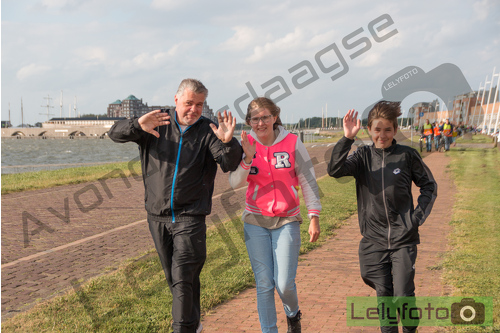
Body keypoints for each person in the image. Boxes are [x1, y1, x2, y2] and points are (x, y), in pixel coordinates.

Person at [108, 79, 243, 333]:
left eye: (199, 105)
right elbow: (114, 133)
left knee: (182, 278)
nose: (193, 109)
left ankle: (182, 328)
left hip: (190, 217)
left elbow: (228, 163)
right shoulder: (156, 122)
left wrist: (228, 142)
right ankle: (194, 325)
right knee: (178, 279)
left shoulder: (207, 129)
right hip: (156, 216)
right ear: (176, 100)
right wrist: (137, 125)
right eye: (189, 103)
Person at [327, 101, 437, 333]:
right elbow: (335, 170)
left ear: (395, 130)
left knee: (402, 295)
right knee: (383, 292)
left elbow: (429, 186)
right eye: (377, 130)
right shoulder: (362, 157)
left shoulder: (407, 156)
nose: (382, 135)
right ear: (369, 130)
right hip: (373, 239)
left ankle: (410, 328)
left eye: (387, 129)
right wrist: (347, 138)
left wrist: (416, 218)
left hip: (403, 238)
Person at [228, 97, 321, 333]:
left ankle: (292, 313)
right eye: (255, 118)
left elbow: (307, 180)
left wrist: (313, 216)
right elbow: (234, 182)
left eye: (265, 117)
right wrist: (247, 159)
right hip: (255, 221)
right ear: (249, 121)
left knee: (283, 284)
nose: (261, 123)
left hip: (286, 219)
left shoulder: (292, 142)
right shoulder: (246, 143)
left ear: (275, 117)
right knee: (264, 284)